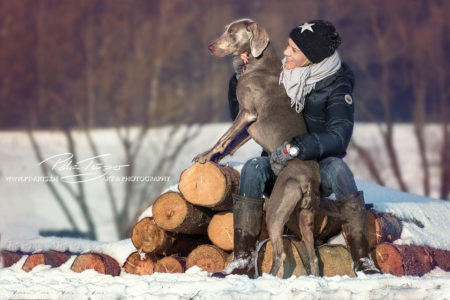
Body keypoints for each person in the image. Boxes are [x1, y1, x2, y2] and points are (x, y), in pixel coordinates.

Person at [220, 20, 379, 277]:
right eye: (287, 46)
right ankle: (243, 260)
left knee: (339, 169)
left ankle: (363, 259)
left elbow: (339, 136)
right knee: (253, 168)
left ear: (312, 57)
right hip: (278, 160)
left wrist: (300, 146)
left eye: (293, 50)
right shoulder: (279, 74)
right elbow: (246, 117)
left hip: (318, 165)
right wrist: (242, 73)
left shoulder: (337, 86)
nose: (285, 53)